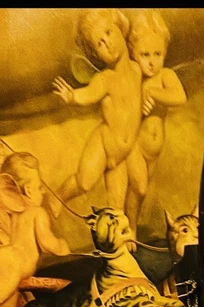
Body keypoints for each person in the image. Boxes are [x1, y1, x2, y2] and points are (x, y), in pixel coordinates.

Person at [52, 8, 142, 211]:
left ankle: (121, 239)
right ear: (95, 53)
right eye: (99, 43)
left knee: (116, 204)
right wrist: (72, 96)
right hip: (104, 143)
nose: (107, 44)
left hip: (123, 153)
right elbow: (90, 94)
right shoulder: (105, 79)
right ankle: (58, 196)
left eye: (108, 33)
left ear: (121, 28)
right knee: (84, 182)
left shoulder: (137, 70)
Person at [125, 11, 187, 235]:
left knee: (140, 192)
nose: (152, 61)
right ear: (133, 53)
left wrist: (153, 91)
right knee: (139, 188)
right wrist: (138, 103)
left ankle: (131, 224)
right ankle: (130, 227)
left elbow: (179, 97)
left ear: (165, 53)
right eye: (145, 55)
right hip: (136, 146)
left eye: (157, 54)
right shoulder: (134, 77)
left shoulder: (165, 76)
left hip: (154, 151)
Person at [0, 153, 71, 307]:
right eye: (40, 187)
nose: (44, 192)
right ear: (30, 190)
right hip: (16, 263)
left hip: (9, 259)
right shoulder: (37, 213)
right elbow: (48, 243)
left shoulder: (14, 213)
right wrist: (62, 246)